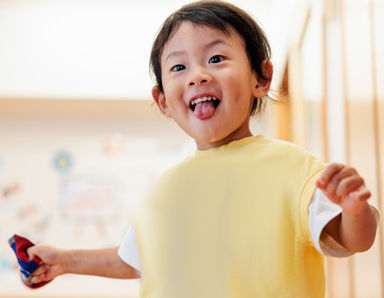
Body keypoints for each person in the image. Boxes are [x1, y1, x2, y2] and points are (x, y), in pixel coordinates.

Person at [25, 1, 379, 297]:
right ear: (162, 101)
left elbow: (351, 240)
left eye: (215, 59)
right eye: (179, 67)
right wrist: (64, 260)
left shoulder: (295, 167)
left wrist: (354, 209)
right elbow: (133, 259)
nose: (197, 76)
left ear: (261, 77)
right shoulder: (167, 188)